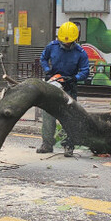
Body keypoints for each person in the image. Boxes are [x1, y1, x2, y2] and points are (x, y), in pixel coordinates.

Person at [38, 22, 91, 157]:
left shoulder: (80, 53)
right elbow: (43, 58)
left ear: (75, 39)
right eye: (63, 42)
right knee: (48, 115)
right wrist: (47, 70)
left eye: (69, 43)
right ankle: (47, 144)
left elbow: (85, 71)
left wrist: (74, 78)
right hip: (53, 84)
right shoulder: (52, 46)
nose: (66, 44)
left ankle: (68, 145)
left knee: (69, 117)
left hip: (69, 87)